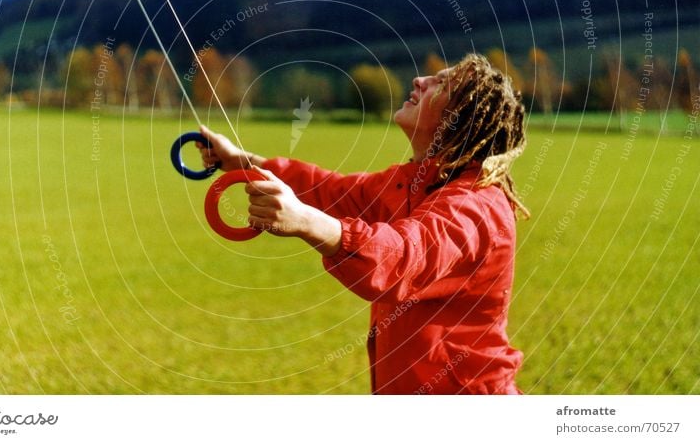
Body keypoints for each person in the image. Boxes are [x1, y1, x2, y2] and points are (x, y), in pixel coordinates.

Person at [197, 53, 528, 395]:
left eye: (442, 83)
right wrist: (243, 162)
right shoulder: (414, 184)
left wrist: (305, 221)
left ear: (463, 119)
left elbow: (403, 257)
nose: (419, 80)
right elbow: (331, 191)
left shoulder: (476, 207)